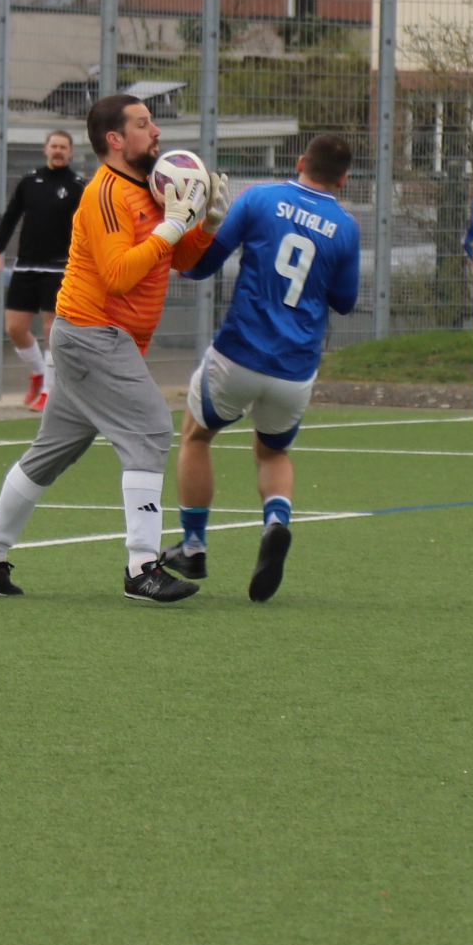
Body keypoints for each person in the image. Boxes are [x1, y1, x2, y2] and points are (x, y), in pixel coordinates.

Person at [0, 94, 232, 605]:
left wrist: (207, 225)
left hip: (98, 339)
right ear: (115, 139)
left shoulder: (147, 188)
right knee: (152, 429)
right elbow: (119, 274)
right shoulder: (105, 192)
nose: (156, 132)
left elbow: (180, 261)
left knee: (52, 451)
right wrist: (175, 224)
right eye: (144, 124)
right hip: (93, 335)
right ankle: (142, 568)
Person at [159, 133, 361, 603]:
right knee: (273, 453)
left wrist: (192, 231)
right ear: (344, 179)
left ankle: (193, 546)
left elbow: (200, 266)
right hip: (296, 367)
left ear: (300, 161)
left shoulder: (259, 198)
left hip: (239, 352)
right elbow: (346, 301)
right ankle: (275, 522)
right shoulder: (346, 227)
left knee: (196, 436)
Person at [0, 130, 86, 411]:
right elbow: (11, 217)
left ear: (70, 152)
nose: (58, 151)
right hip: (27, 265)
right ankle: (40, 372)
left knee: (50, 329)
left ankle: (49, 391)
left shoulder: (79, 186)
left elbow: (88, 227)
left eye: (63, 147)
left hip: (60, 268)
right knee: (15, 328)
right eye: (54, 146)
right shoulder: (29, 181)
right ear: (46, 149)